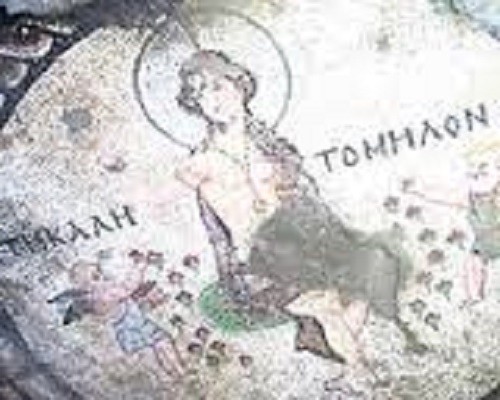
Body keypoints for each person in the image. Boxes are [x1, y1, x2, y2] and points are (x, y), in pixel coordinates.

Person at [175, 50, 420, 364]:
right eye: (200, 94)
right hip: (263, 263)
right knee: (327, 305)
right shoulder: (201, 163)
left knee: (361, 286)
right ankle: (361, 372)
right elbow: (218, 233)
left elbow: (307, 196)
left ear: (239, 85)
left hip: (307, 244)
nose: (213, 100)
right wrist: (233, 277)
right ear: (194, 105)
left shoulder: (270, 144)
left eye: (217, 87)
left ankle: (347, 367)